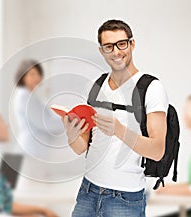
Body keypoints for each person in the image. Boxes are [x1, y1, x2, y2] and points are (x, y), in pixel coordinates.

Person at [62, 19, 169, 216]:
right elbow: (81, 147)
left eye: (122, 44)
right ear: (101, 51)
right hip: (88, 191)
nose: (116, 52)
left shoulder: (151, 88)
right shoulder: (96, 86)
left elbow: (157, 150)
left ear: (132, 44)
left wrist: (119, 131)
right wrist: (71, 135)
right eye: (109, 46)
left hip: (125, 199)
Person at [13, 59, 64, 160]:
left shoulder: (29, 95)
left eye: (38, 74)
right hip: (31, 150)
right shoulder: (24, 95)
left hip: (33, 149)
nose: (36, 77)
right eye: (32, 74)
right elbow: (44, 123)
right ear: (23, 76)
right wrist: (68, 121)